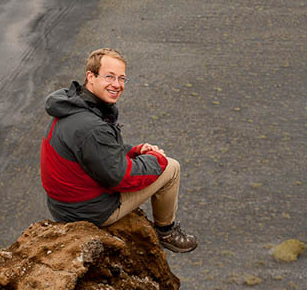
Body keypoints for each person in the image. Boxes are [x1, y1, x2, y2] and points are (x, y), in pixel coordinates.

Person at [39, 48, 198, 253]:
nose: (117, 85)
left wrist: (135, 151)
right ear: (91, 76)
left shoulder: (72, 105)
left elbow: (97, 153)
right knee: (172, 168)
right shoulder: (91, 126)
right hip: (89, 211)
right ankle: (166, 231)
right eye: (109, 77)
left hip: (63, 206)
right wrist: (156, 159)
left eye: (122, 78)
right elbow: (120, 177)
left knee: (152, 161)